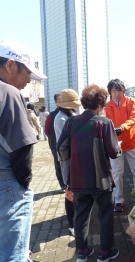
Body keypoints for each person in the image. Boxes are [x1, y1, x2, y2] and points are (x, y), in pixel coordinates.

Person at [0, 39, 47, 262]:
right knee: (13, 257)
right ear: (11, 65)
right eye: (28, 74)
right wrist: (22, 185)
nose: (27, 81)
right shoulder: (5, 92)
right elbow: (22, 148)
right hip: (1, 188)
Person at [57, 84, 121, 262]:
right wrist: (118, 148)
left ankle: (82, 252)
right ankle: (106, 252)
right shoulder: (105, 123)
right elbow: (114, 152)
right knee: (106, 214)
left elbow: (61, 148)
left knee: (81, 215)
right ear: (101, 104)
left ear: (84, 102)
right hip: (101, 179)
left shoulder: (70, 122)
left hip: (78, 179)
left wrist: (72, 159)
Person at [105, 79, 135, 212]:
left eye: (119, 90)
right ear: (110, 92)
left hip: (132, 142)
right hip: (116, 145)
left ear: (124, 91)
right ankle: (118, 200)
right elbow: (106, 122)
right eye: (114, 91)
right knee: (117, 173)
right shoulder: (106, 106)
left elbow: (134, 118)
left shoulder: (132, 102)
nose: (117, 94)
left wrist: (121, 128)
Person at [54, 88, 81, 236]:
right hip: (66, 159)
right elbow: (70, 139)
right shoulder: (61, 118)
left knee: (74, 190)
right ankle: (71, 223)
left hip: (73, 158)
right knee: (69, 191)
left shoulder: (70, 115)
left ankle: (75, 220)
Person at [44, 94, 65, 192]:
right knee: (58, 163)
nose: (61, 102)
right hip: (55, 143)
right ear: (56, 103)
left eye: (63, 100)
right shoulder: (51, 115)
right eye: (59, 101)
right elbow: (47, 131)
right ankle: (63, 185)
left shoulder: (70, 113)